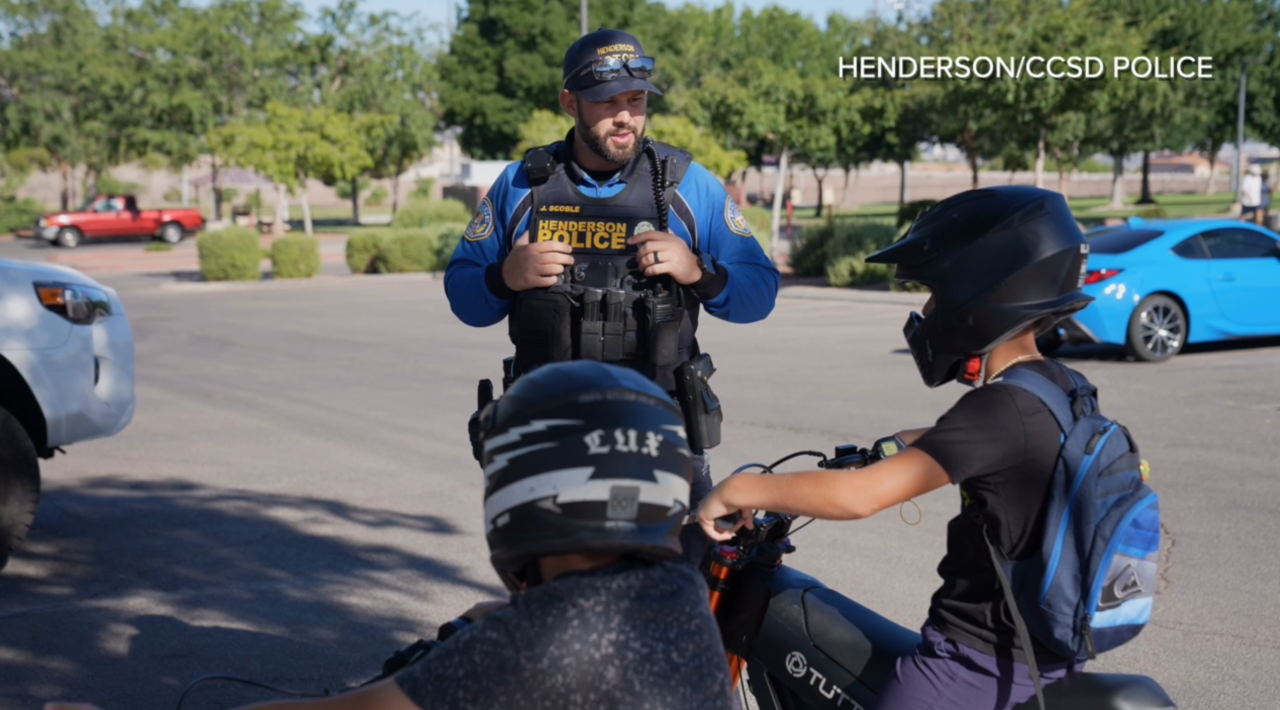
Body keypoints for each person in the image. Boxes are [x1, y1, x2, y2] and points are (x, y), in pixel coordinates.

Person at [44, 361, 736, 710]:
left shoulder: (530, 645)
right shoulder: (676, 588)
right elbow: (567, 625)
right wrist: (488, 616)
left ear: (523, 490)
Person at [695, 186, 1100, 710]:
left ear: (977, 293)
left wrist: (739, 488)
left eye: (932, 295)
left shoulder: (998, 411)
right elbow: (984, 444)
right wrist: (892, 447)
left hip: (972, 663)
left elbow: (856, 498)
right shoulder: (1057, 387)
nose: (926, 311)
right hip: (1044, 651)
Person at [447, 27, 780, 563]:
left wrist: (699, 272)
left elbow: (759, 294)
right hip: (549, 435)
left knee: (682, 594)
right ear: (569, 102)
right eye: (607, 102)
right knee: (549, 603)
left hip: (662, 434)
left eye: (637, 99)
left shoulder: (688, 186)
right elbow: (464, 295)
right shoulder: (520, 185)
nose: (626, 116)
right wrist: (504, 275)